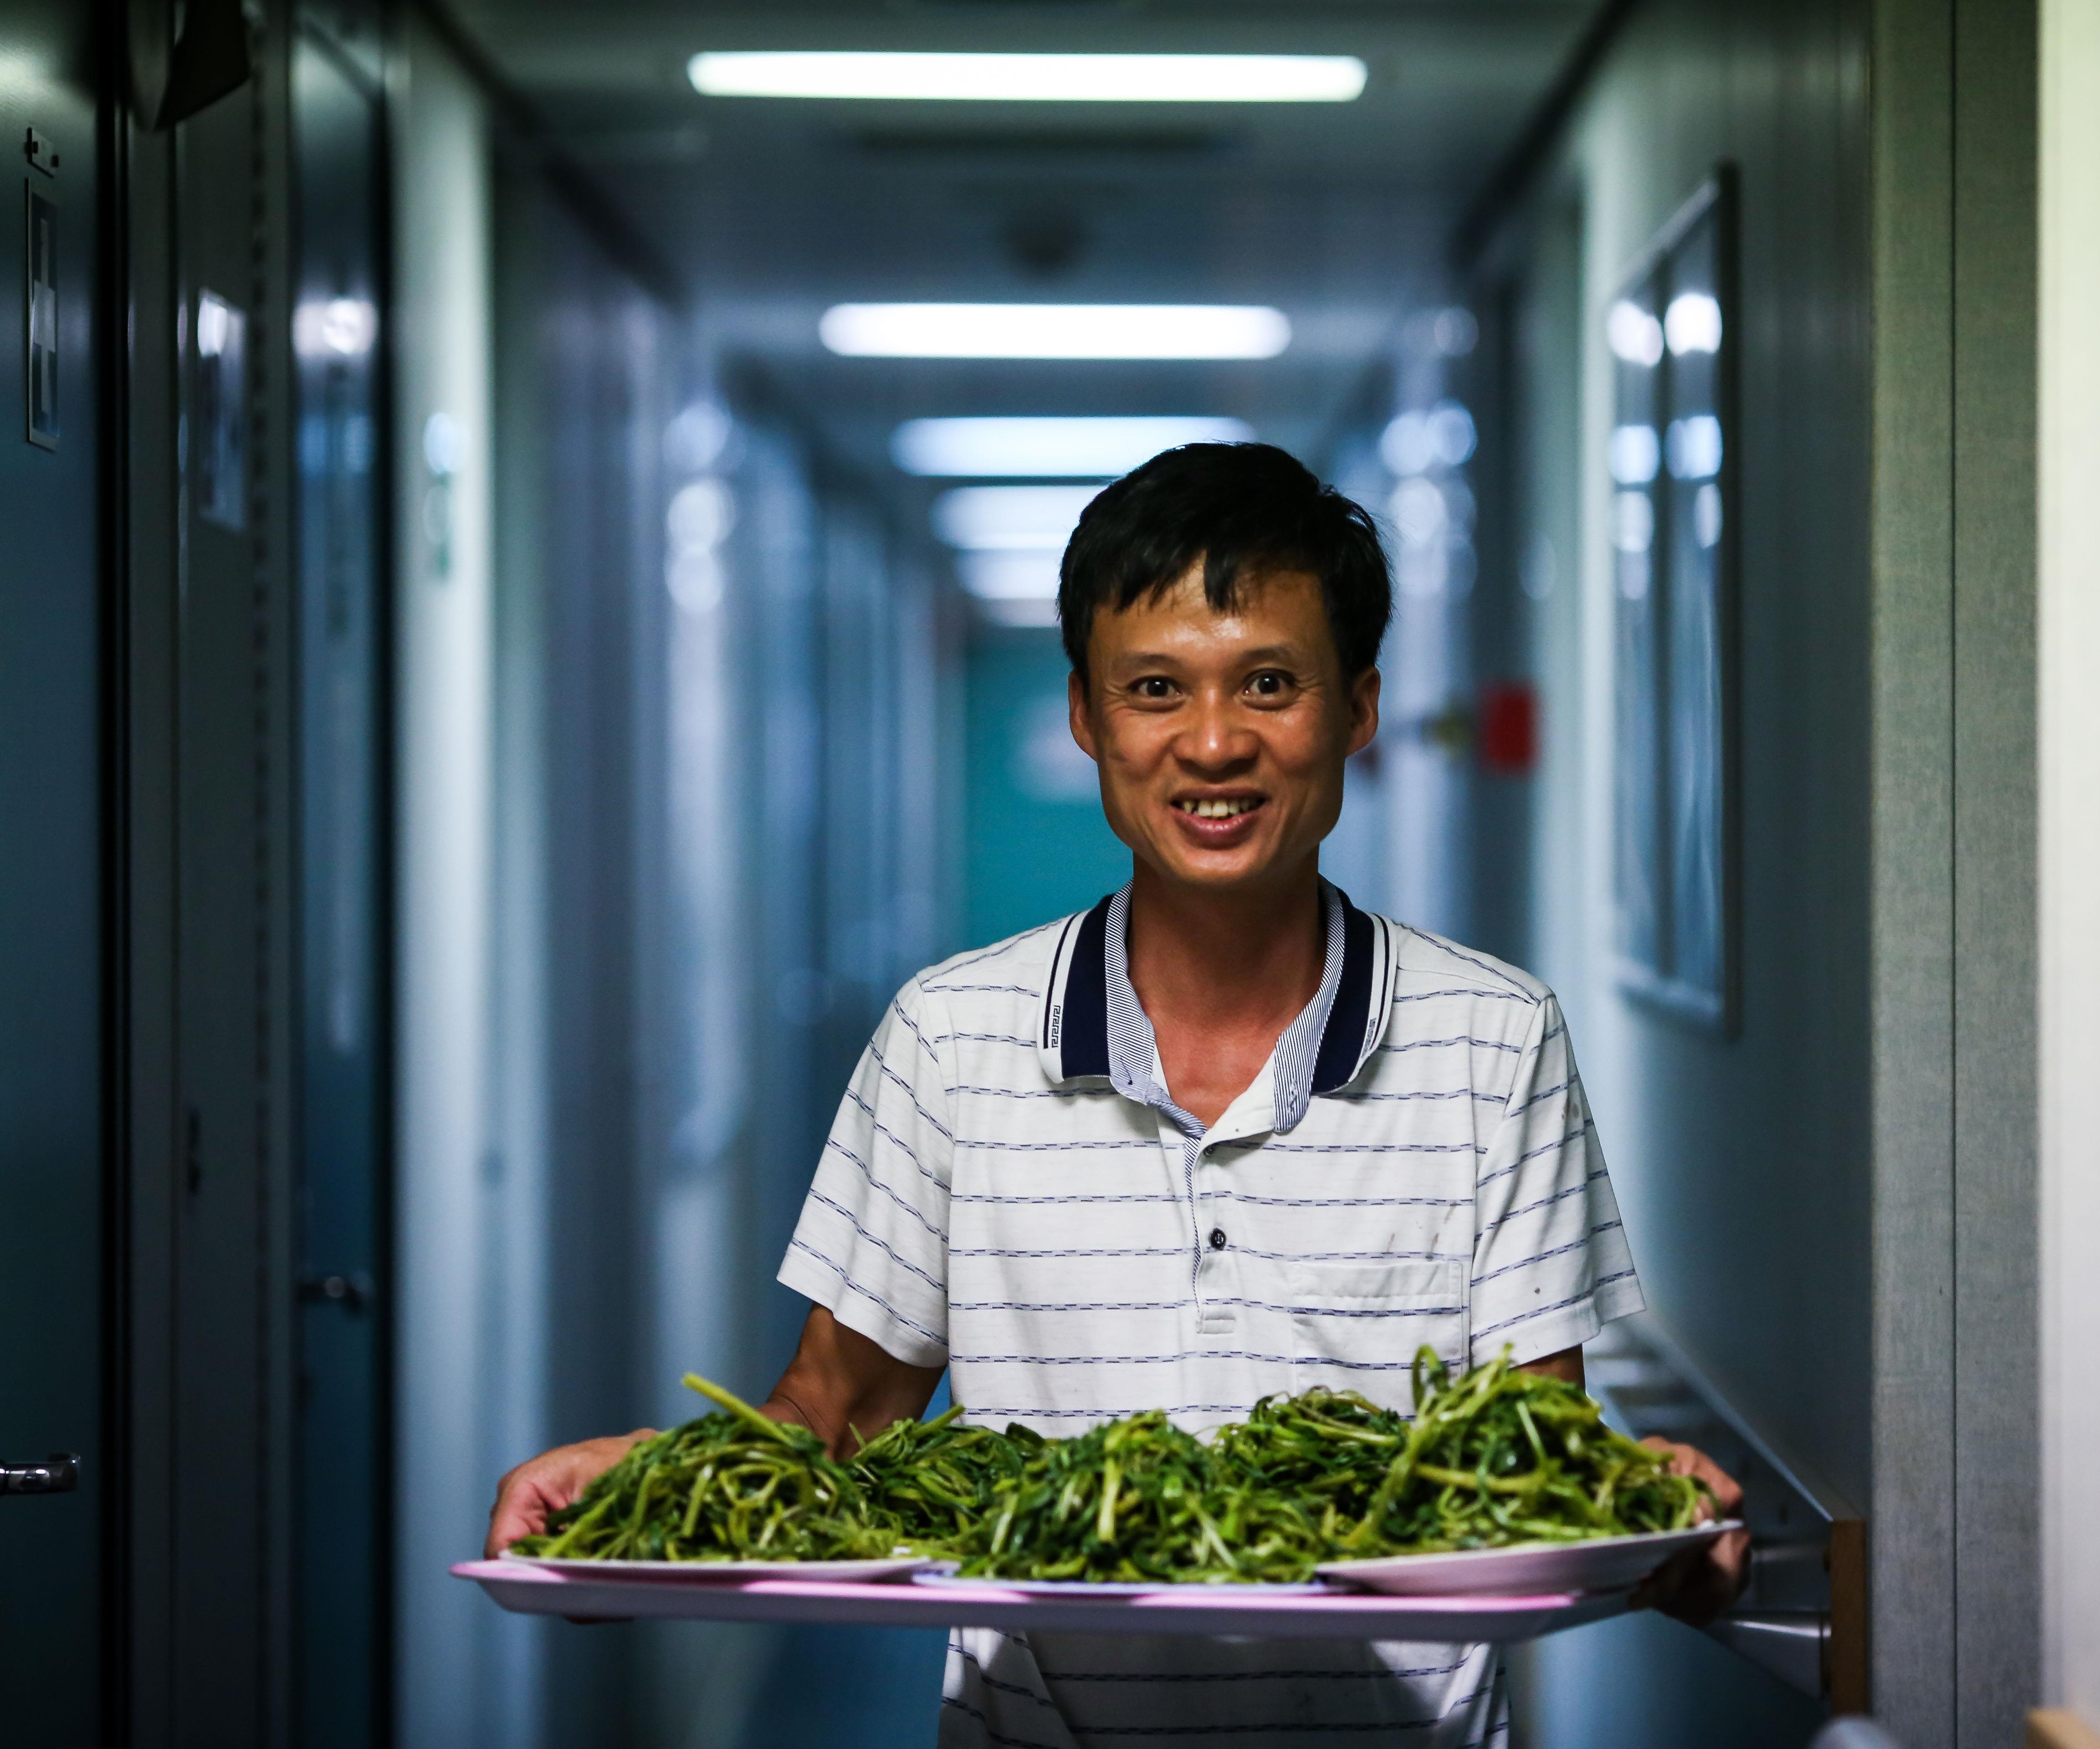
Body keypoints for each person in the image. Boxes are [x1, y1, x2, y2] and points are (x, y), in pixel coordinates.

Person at [487, 442, 1750, 1746]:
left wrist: (1643, 1505)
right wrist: (647, 1491)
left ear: (1359, 709)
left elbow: (1528, 1451)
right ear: (1088, 716)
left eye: (1270, 683)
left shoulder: (1496, 1041)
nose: (1213, 743)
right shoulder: (950, 1036)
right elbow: (836, 1416)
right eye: (1155, 689)